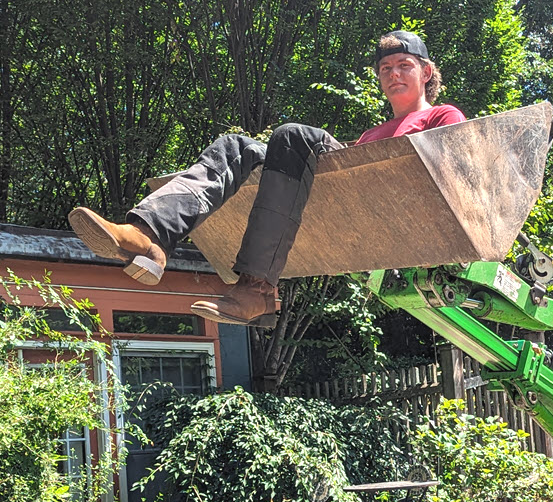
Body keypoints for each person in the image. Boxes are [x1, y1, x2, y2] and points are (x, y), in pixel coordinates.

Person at [67, 31, 465, 326]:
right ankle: (147, 235)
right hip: (337, 191)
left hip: (387, 199)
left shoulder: (441, 116)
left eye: (404, 66)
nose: (393, 74)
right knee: (236, 146)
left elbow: (452, 168)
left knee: (290, 136)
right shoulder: (369, 135)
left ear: (426, 72)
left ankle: (257, 289)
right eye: (386, 68)